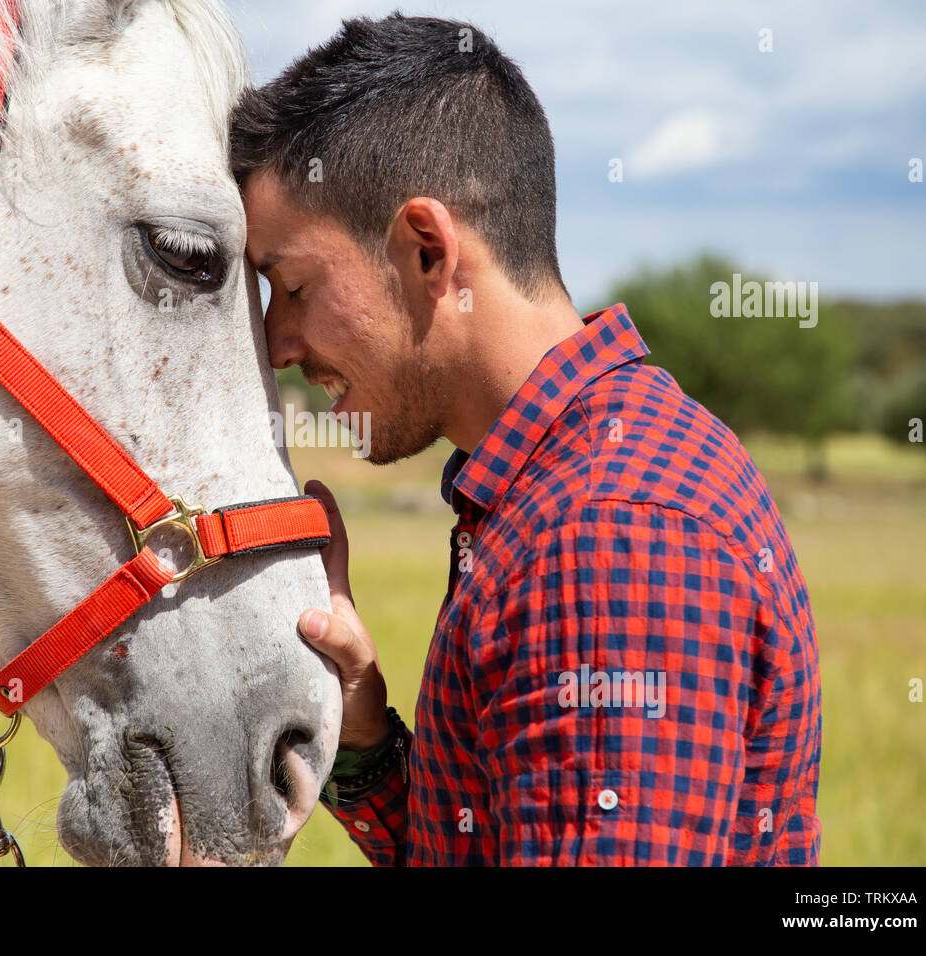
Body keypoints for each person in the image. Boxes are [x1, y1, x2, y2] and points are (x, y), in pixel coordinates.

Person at [231, 13, 821, 865]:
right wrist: (361, 731)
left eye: (290, 285)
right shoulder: (571, 484)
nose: (279, 343)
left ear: (428, 250)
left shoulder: (605, 533)